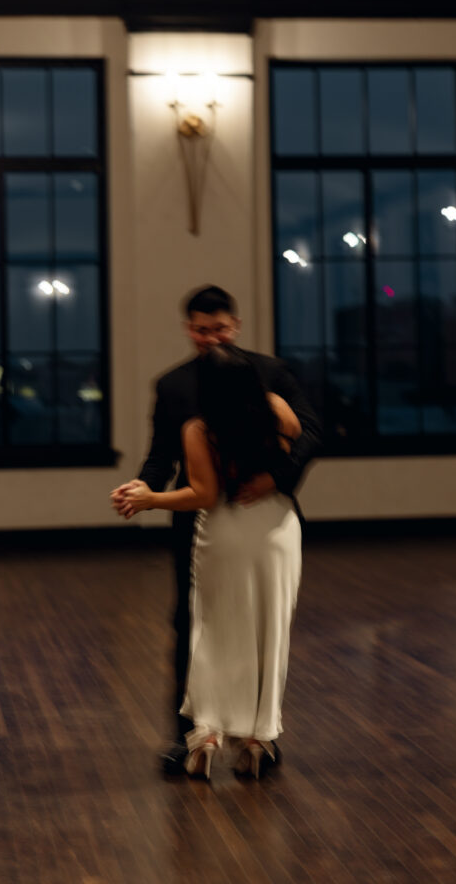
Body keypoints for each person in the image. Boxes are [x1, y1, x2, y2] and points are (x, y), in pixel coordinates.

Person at [111, 286, 321, 773]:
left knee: (238, 625)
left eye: (220, 329)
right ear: (189, 329)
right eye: (202, 330)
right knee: (192, 624)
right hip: (203, 523)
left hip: (253, 512)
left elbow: (312, 432)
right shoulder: (173, 385)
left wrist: (275, 479)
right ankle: (190, 735)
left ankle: (243, 733)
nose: (211, 338)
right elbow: (161, 454)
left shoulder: (270, 373)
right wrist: (144, 485)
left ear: (236, 325)